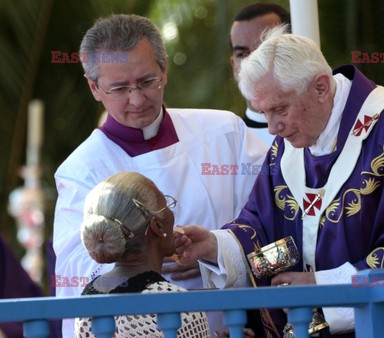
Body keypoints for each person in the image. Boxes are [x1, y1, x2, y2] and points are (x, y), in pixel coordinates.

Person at [174, 26, 384, 338]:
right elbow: (270, 235)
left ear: (321, 88)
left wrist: (322, 286)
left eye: (279, 109)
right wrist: (216, 247)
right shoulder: (286, 148)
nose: (272, 127)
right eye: (264, 113)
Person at [53, 14, 267, 337]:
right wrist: (146, 261)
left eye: (146, 82)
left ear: (164, 69)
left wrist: (217, 252)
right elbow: (76, 277)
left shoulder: (225, 133)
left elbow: (272, 220)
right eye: (120, 88)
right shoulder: (80, 170)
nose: (137, 100)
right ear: (94, 87)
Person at [74, 172, 210, 337]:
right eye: (166, 204)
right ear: (157, 226)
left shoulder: (87, 300)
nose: (171, 212)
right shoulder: (179, 306)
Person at [230, 3, 290, 146]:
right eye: (243, 54)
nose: (252, 62)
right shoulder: (229, 146)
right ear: (233, 65)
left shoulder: (333, 127)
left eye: (264, 49)